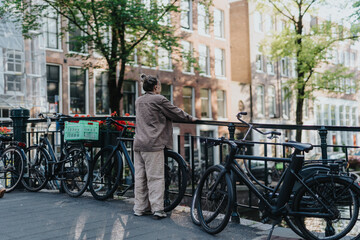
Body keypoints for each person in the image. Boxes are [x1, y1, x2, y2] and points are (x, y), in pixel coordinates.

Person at [133, 74, 196, 220]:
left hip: (138, 143)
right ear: (156, 87)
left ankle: (139, 208)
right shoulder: (159, 99)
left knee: (140, 177)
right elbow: (175, 112)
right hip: (153, 144)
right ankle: (157, 209)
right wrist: (191, 118)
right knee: (155, 178)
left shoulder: (139, 100)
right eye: (159, 86)